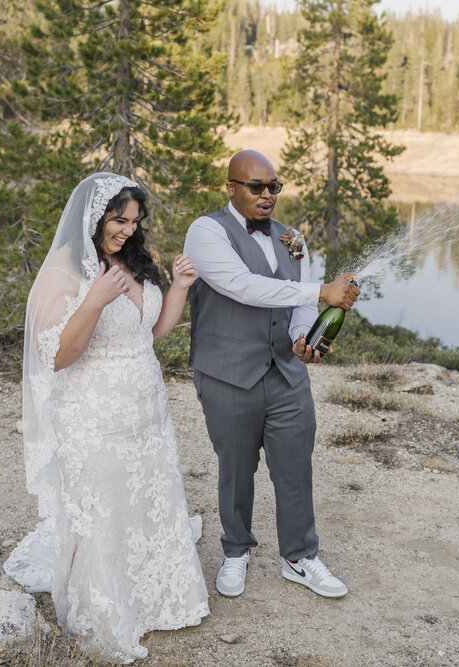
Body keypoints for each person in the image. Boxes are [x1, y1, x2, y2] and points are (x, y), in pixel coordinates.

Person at [8, 173, 208, 663]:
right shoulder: (63, 272)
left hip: (147, 411)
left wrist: (180, 285)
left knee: (144, 500)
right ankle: (107, 610)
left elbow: (152, 331)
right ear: (94, 217)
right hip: (95, 414)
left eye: (134, 221)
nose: (126, 229)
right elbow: (56, 356)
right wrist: (95, 301)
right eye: (119, 220)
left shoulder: (133, 261)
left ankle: (158, 600)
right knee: (106, 509)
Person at [183, 150, 360, 599]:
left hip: (286, 373)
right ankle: (235, 551)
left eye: (274, 187)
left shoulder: (293, 238)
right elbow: (242, 285)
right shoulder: (206, 232)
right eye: (256, 187)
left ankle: (300, 558)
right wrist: (323, 291)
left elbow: (298, 303)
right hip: (227, 373)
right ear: (231, 188)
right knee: (236, 470)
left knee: (295, 468)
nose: (267, 196)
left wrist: (303, 336)